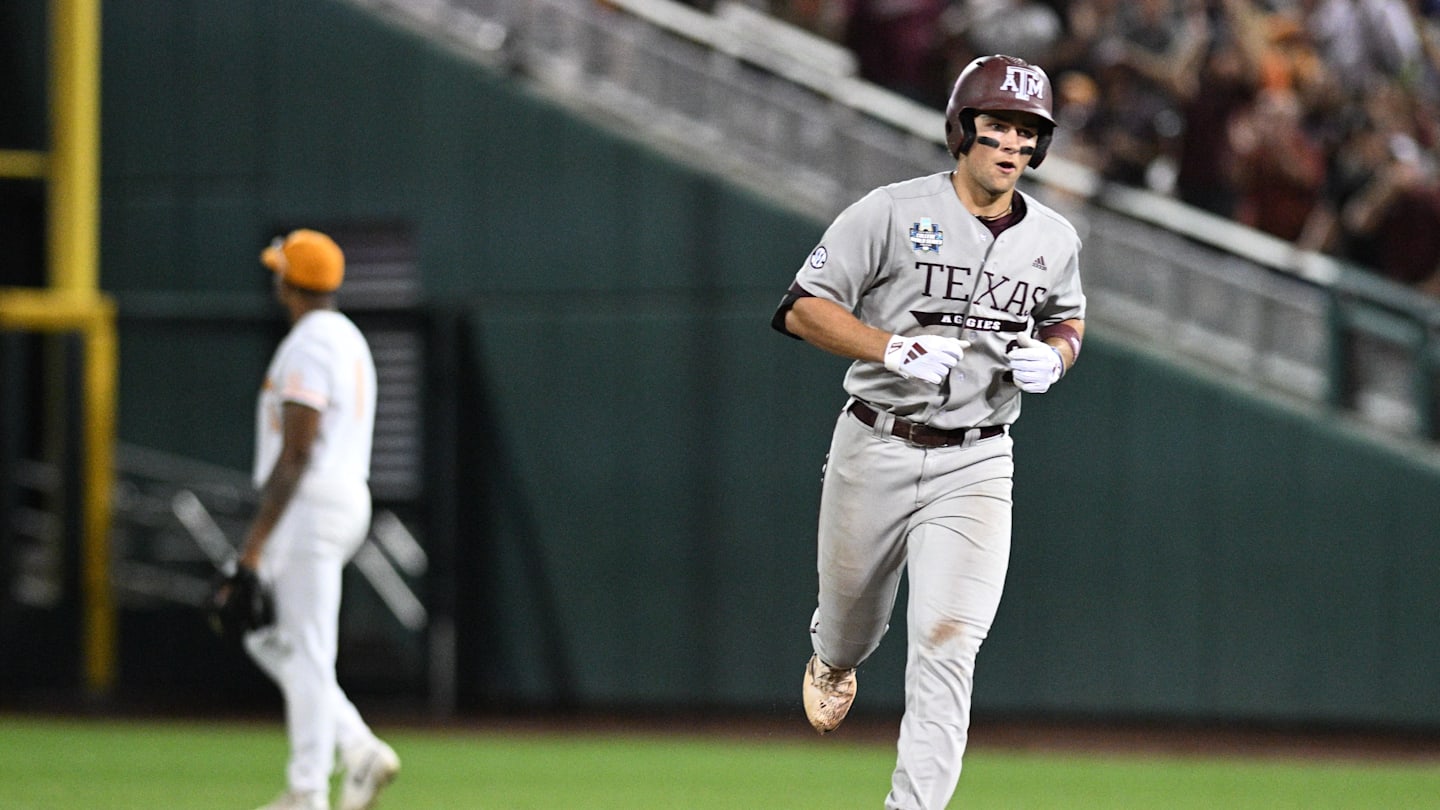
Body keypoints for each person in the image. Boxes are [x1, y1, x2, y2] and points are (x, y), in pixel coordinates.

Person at [771, 54, 1086, 808]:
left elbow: (1068, 317)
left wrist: (1056, 355)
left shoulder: (1054, 237)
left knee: (948, 643)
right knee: (851, 627)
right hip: (876, 441)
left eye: (1026, 131)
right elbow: (799, 306)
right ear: (962, 127)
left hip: (977, 460)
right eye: (997, 125)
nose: (1011, 144)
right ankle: (833, 656)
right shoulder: (889, 209)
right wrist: (888, 345)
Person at [238, 228, 400, 810]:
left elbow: (298, 450)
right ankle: (357, 747)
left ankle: (306, 793)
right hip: (343, 494)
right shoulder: (346, 336)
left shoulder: (309, 343)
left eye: (279, 269)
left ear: (290, 282)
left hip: (311, 501)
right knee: (265, 636)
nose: (274, 277)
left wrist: (253, 545)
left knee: (304, 649)